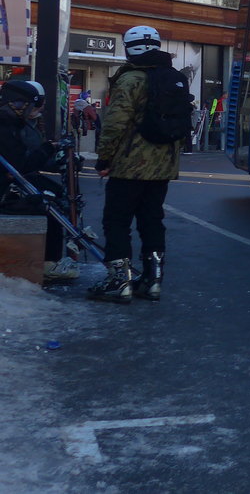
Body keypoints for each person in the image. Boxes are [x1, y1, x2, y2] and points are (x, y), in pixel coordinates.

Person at [89, 26, 183, 304]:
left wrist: (104, 158)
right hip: (163, 166)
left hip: (130, 166)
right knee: (152, 219)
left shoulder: (130, 79)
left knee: (116, 220)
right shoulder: (173, 78)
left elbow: (116, 122)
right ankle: (152, 280)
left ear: (129, 48)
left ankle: (119, 281)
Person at [0, 79, 79, 283]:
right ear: (17, 104)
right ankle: (48, 262)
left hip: (11, 183)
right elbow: (20, 165)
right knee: (46, 203)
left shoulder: (15, 124)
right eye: (32, 106)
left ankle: (51, 259)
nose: (34, 112)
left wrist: (55, 154)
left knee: (53, 194)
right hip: (5, 189)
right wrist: (49, 149)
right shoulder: (5, 128)